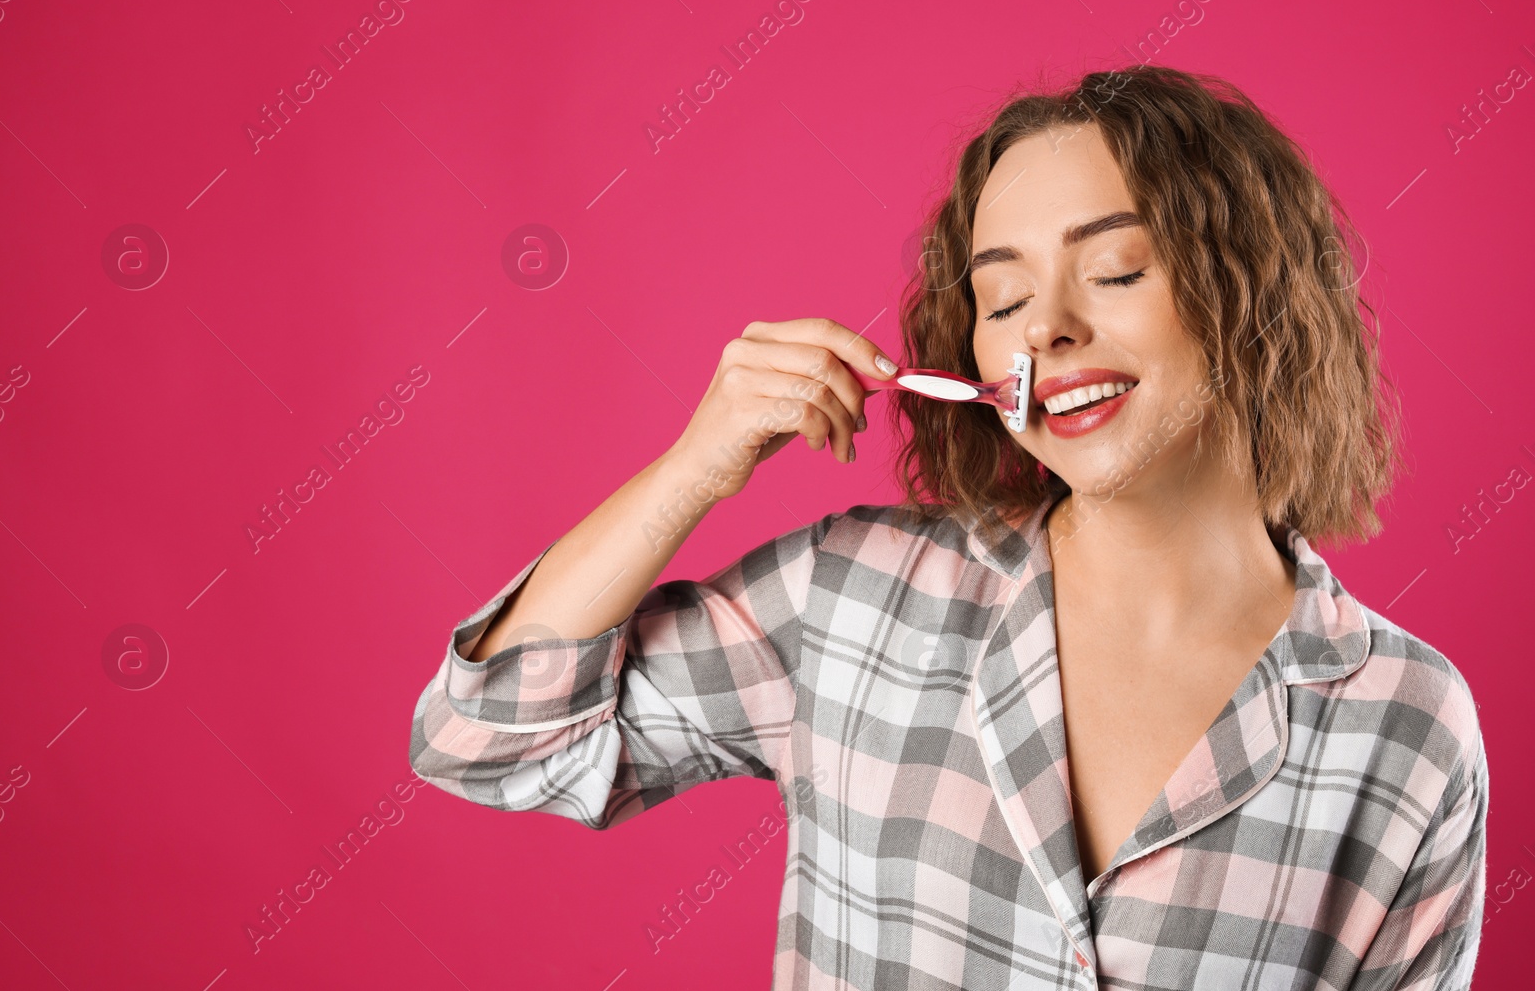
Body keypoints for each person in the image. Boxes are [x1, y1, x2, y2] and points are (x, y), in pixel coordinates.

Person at [408, 65, 1487, 990]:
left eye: (1115, 270)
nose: (1049, 329)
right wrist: (697, 467)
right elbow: (489, 734)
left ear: (1251, 291)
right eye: (1001, 298)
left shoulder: (1406, 725)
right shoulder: (851, 592)